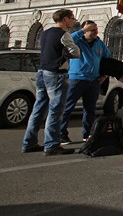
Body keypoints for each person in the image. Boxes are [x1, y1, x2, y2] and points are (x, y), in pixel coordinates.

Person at [21, 9, 80, 155]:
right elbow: (76, 52)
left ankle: (29, 142)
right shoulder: (64, 34)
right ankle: (52, 145)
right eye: (72, 18)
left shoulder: (45, 33)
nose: (73, 21)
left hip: (42, 72)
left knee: (38, 109)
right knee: (55, 110)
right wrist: (67, 53)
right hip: (56, 74)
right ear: (65, 19)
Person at [59, 20, 112, 143]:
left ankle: (88, 134)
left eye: (96, 29)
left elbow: (108, 60)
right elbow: (67, 40)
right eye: (92, 29)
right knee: (67, 108)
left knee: (90, 110)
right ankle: (62, 134)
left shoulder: (100, 44)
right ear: (85, 30)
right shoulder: (77, 41)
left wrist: (104, 75)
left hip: (93, 81)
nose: (95, 32)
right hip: (76, 79)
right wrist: (81, 31)